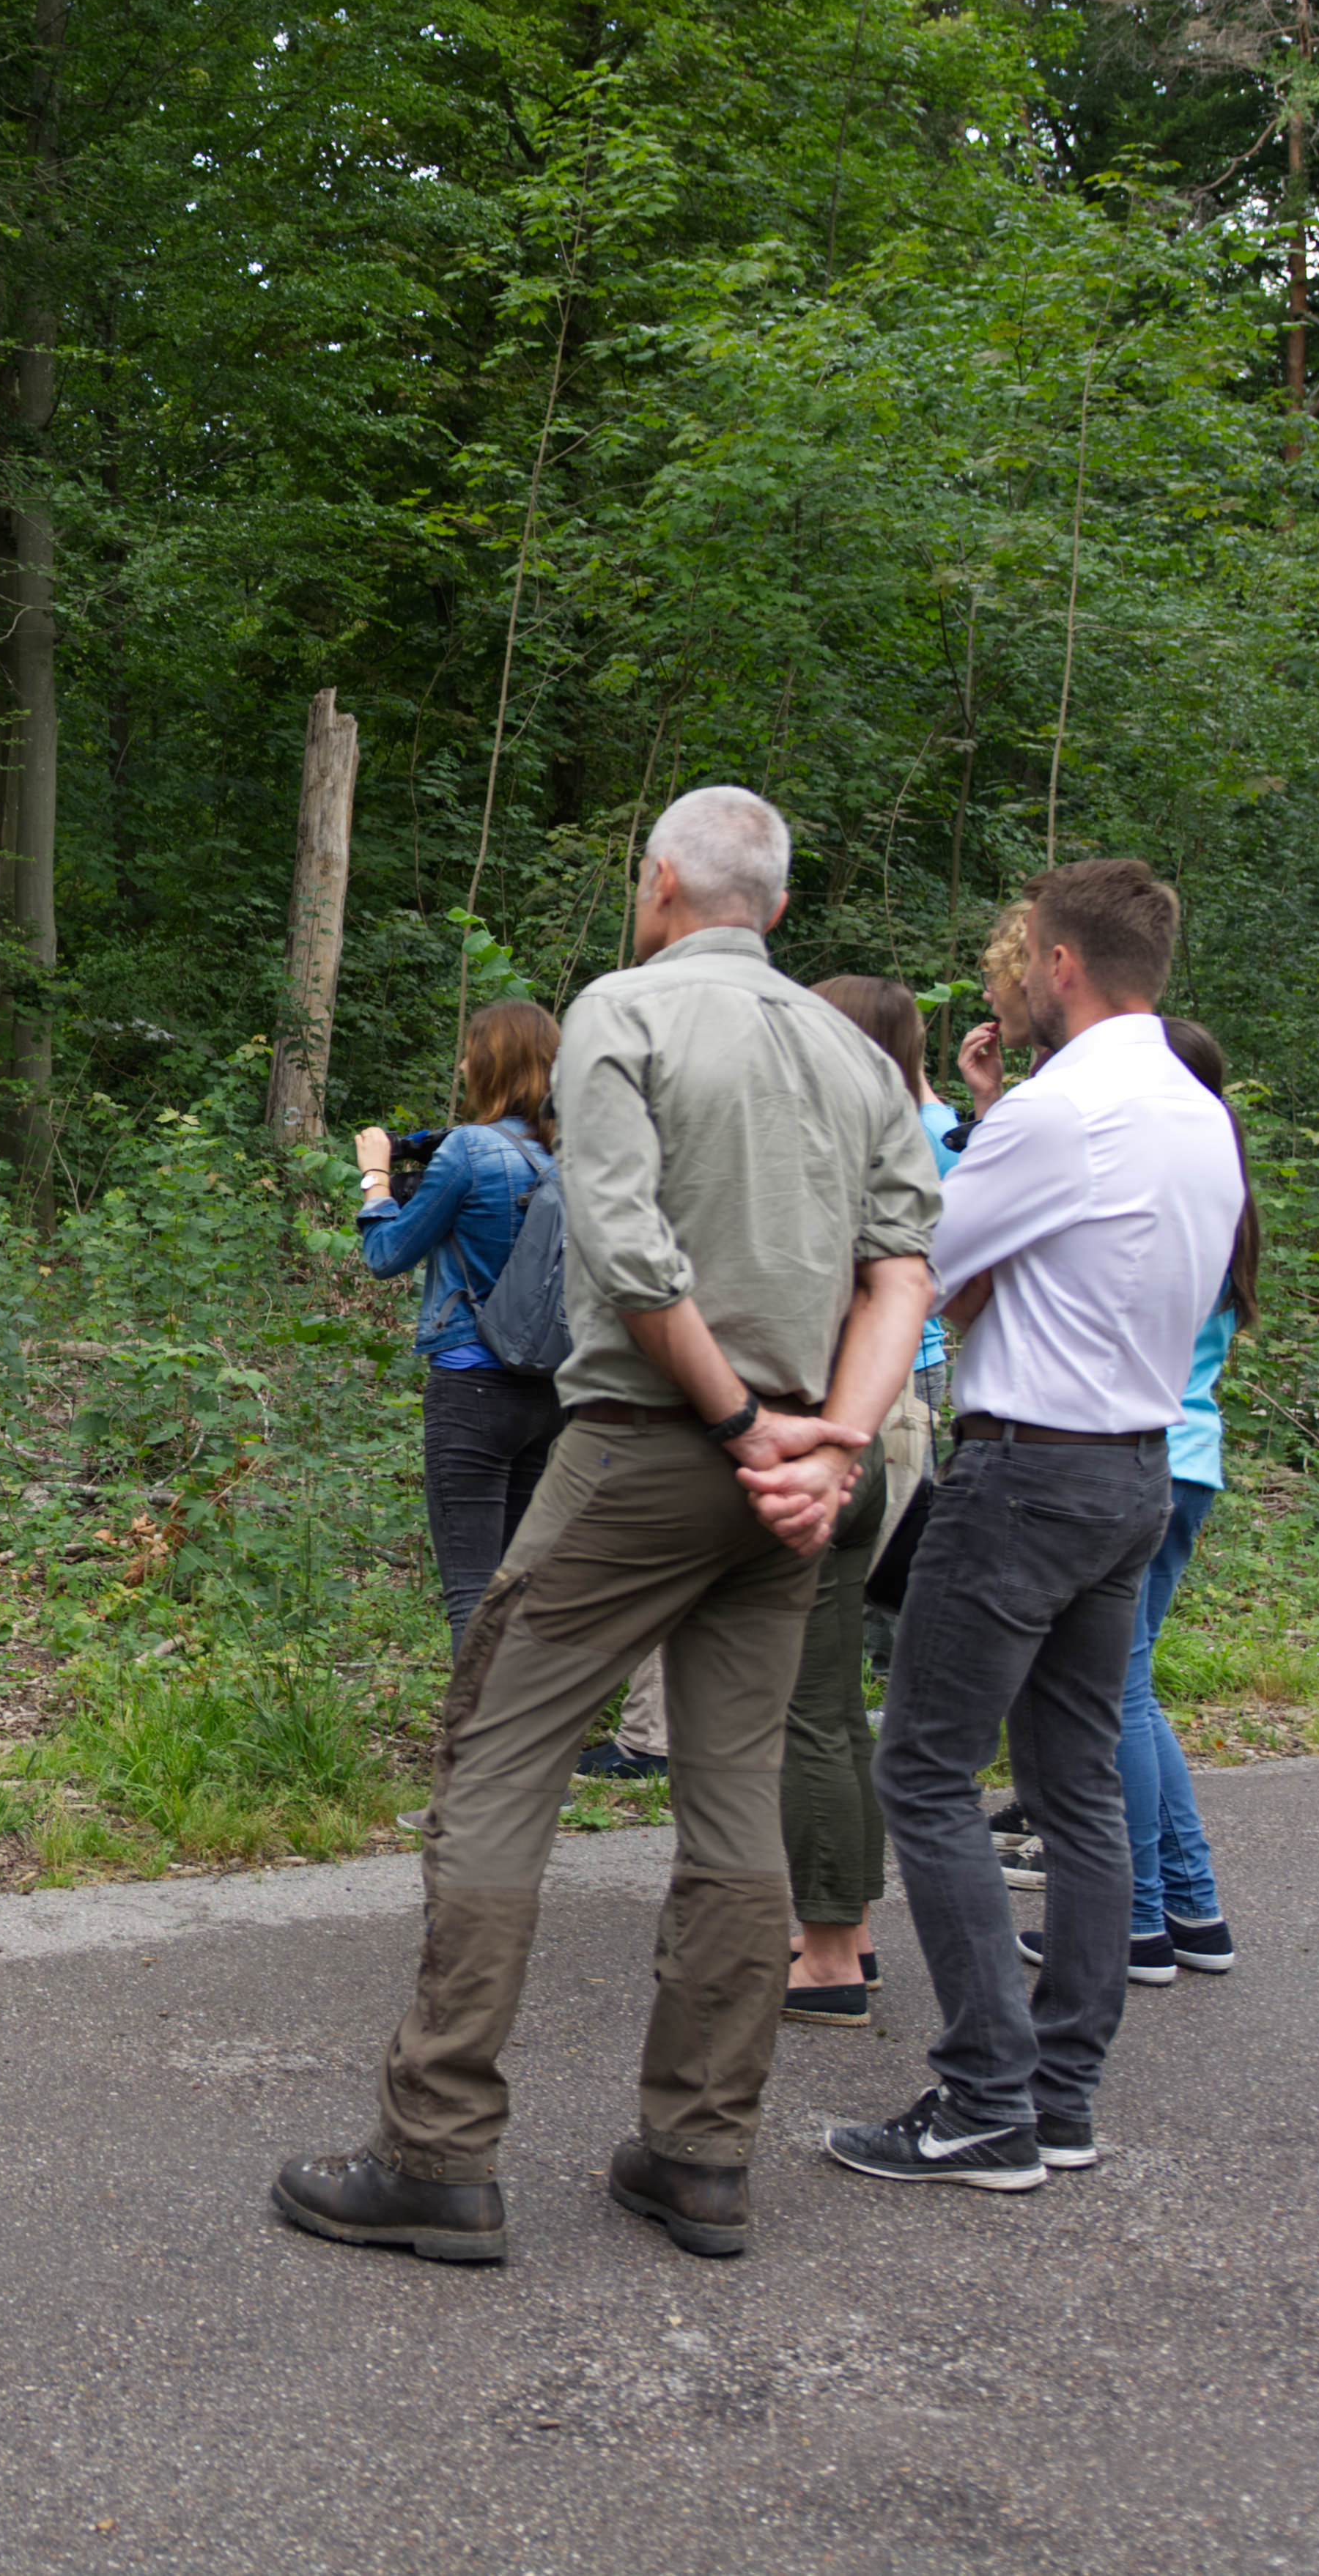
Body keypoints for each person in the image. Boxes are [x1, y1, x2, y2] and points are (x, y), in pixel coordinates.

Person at [272, 787, 937, 2270]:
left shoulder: (622, 1011)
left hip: (652, 1446)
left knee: (496, 1760)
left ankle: (438, 2150)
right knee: (734, 1793)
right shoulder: (852, 1048)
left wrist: (736, 1425)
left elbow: (629, 1249)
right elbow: (905, 1265)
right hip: (792, 1484)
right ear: (771, 904)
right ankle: (702, 2155)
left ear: (660, 885)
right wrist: (828, 1438)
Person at [825, 857, 1245, 2195]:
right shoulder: (1194, 1114)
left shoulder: (1059, 1115)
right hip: (1130, 1470)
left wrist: (828, 1430)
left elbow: (919, 1274)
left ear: (1061, 964)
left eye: (1022, 960)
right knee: (1074, 1792)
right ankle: (1059, 2097)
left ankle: (983, 2099)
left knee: (925, 1772)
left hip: (1023, 1476)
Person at [777, 975, 944, 2031]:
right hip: (882, 1420)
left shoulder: (816, 1157)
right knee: (834, 1704)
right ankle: (844, 1935)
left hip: (828, 1426)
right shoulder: (903, 1150)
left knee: (810, 1707)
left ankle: (831, 1951)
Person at [1112, 1015, 1256, 1983]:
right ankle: (1191, 1910)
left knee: (1111, 1693)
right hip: (1193, 1455)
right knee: (1135, 1685)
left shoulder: (1166, 1192)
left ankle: (1135, 1920)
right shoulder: (1226, 1193)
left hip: (1145, 1455)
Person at [352, 998, 563, 1652]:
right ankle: (526, 1738)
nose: (463, 1062)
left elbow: (388, 1255)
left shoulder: (471, 1150)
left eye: (472, 1051)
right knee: (518, 1579)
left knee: (472, 1586)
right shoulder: (581, 1154)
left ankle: (482, 1749)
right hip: (552, 1386)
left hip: (473, 1382)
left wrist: (376, 1178)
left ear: (490, 1065)